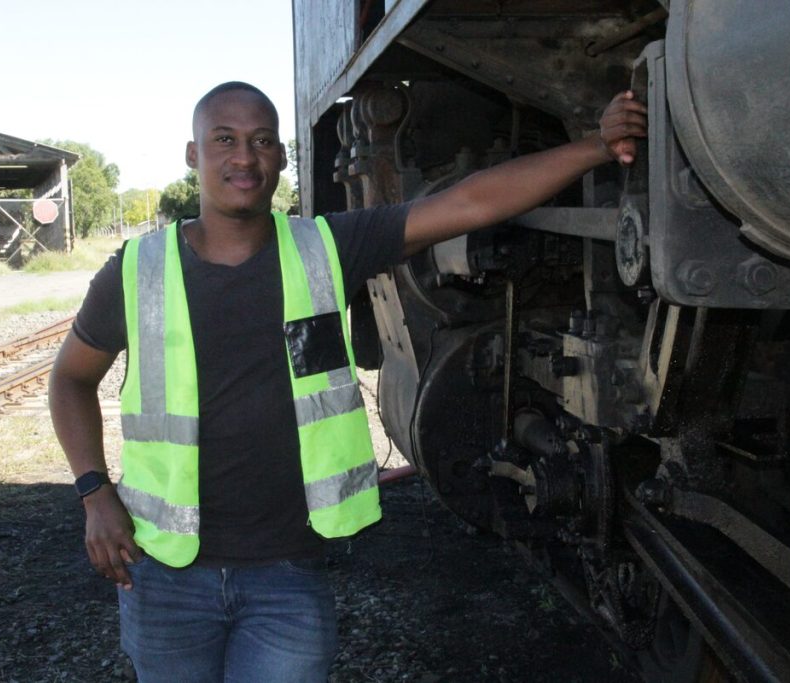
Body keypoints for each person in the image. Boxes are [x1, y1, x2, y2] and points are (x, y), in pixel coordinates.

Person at [48, 81, 646, 682]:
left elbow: (470, 202)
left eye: (262, 141)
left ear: (281, 158)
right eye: (224, 140)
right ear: (192, 154)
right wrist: (95, 494)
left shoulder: (326, 249)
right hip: (165, 577)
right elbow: (70, 379)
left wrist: (596, 146)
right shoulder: (137, 271)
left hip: (287, 578)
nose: (244, 157)